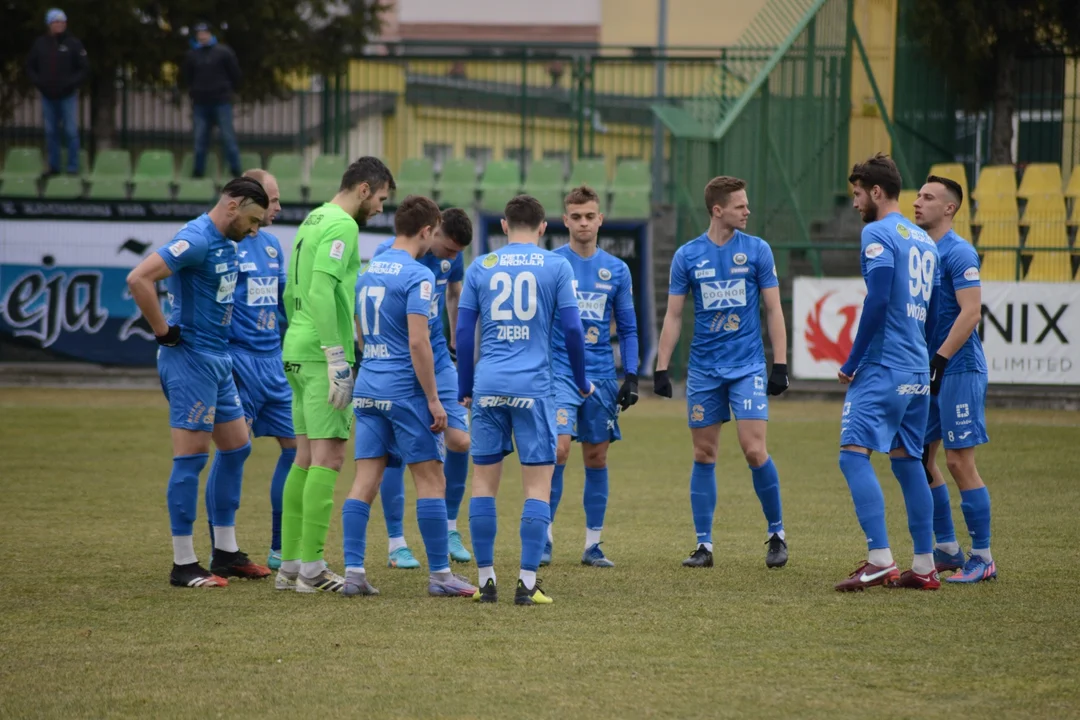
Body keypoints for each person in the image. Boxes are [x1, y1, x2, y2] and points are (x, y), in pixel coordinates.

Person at [125, 178, 272, 588]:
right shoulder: (196, 238)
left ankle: (225, 553)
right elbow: (139, 278)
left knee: (238, 447)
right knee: (191, 458)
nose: (256, 230)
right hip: (190, 359)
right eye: (253, 220)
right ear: (233, 205)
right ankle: (184, 563)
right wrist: (163, 331)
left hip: (218, 359)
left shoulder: (227, 241)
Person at [457, 194, 593, 605]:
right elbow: (572, 330)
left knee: (482, 482)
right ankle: (528, 582)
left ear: (503, 226)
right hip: (534, 388)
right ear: (542, 228)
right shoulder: (556, 265)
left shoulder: (481, 266)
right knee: (537, 485)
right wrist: (582, 380)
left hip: (489, 385)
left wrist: (466, 386)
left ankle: (485, 582)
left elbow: (463, 334)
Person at [339, 196, 477, 598]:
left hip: (368, 387)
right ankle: (440, 576)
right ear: (425, 231)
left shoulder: (368, 272)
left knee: (364, 479)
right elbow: (419, 342)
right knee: (431, 479)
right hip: (404, 390)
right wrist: (433, 399)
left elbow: (361, 333)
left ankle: (353, 573)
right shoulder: (417, 275)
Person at [653, 176, 791, 570]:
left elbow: (774, 310)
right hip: (703, 370)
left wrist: (778, 364)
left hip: (747, 366)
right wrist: (662, 366)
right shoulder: (687, 256)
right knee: (704, 453)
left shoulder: (758, 251)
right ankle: (704, 546)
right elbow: (675, 315)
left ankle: (777, 534)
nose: (748, 211)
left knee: (753, 448)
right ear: (718, 210)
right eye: (740, 205)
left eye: (747, 205)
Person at [276, 156, 394, 594]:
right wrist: (336, 355)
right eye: (381, 198)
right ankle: (312, 570)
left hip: (296, 347)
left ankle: (290, 567)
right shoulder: (343, 224)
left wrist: (303, 337)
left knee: (304, 459)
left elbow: (293, 289)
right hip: (319, 353)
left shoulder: (312, 219)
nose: (382, 208)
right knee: (329, 460)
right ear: (364, 189)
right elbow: (323, 288)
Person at [834, 153, 941, 592]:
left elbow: (877, 300)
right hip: (915, 365)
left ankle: (879, 558)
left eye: (858, 194)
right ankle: (925, 564)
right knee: (907, 461)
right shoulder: (925, 240)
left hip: (884, 364)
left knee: (852, 454)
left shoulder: (877, 233)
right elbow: (932, 315)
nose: (856, 203)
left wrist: (853, 361)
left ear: (876, 192)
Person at [374, 208, 473, 569]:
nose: (451, 257)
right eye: (447, 249)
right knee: (394, 453)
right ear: (431, 232)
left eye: (457, 253)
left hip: (439, 360)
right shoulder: (392, 255)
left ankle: (449, 527)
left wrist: (457, 346)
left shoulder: (452, 260)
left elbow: (453, 296)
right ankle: (396, 543)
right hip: (399, 364)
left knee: (460, 440)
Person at [546, 185, 639, 568]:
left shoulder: (616, 270)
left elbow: (629, 328)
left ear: (600, 219)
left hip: (600, 375)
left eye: (590, 216)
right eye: (576, 216)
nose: (583, 223)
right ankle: (545, 538)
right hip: (559, 373)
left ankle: (592, 545)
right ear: (565, 220)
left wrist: (631, 374)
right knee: (558, 450)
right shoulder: (551, 264)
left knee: (597, 457)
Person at [913, 175, 996, 584]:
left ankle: (983, 557)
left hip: (958, 368)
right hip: (927, 370)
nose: (917, 202)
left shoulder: (959, 252)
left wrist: (941, 360)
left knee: (958, 460)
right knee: (918, 458)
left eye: (928, 197)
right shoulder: (922, 251)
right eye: (918, 195)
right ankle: (946, 547)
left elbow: (971, 312)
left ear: (949, 208)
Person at [223, 169, 296, 571]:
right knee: (235, 450)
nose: (278, 208)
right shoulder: (225, 246)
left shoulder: (271, 246)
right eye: (273, 199)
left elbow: (282, 304)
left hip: (274, 361)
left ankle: (280, 546)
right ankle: (225, 546)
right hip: (238, 361)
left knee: (296, 449)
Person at [26, 8, 88, 176]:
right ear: (49, 24)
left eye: (62, 22)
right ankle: (53, 167)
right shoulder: (40, 44)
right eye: (56, 22)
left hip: (67, 95)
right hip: (48, 96)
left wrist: (71, 84)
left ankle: (73, 167)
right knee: (51, 132)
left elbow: (83, 68)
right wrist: (40, 84)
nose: (60, 25)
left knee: (70, 131)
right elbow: (31, 67)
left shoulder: (73, 43)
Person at [182, 22, 242, 178]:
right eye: (199, 34)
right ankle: (198, 171)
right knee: (200, 139)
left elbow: (235, 73)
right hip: (200, 103)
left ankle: (235, 169)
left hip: (221, 101)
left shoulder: (223, 52)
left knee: (228, 138)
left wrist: (228, 91)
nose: (202, 36)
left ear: (210, 34)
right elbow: (187, 77)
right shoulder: (192, 55)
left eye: (205, 33)